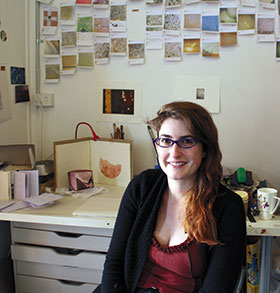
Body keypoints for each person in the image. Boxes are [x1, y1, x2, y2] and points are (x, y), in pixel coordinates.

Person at [96, 101, 246, 293]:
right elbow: (114, 264)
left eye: (187, 141)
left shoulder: (227, 207)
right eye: (166, 140)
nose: (174, 153)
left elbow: (216, 289)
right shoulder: (141, 187)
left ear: (205, 149)